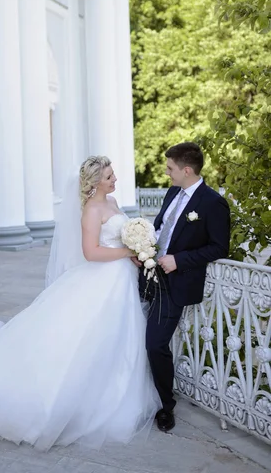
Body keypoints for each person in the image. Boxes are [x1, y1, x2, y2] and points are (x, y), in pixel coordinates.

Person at [0, 156, 160, 451]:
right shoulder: (92, 210)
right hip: (101, 280)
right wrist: (125, 252)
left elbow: (117, 238)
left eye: (113, 175)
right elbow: (91, 252)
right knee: (89, 339)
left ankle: (116, 395)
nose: (115, 179)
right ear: (96, 181)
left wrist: (136, 250)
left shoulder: (112, 203)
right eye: (109, 176)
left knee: (117, 339)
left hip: (120, 281)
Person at [139, 142, 230, 433]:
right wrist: (141, 244)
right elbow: (160, 229)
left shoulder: (212, 202)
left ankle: (167, 405)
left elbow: (219, 246)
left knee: (154, 343)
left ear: (186, 170)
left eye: (170, 169)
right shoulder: (171, 193)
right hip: (148, 274)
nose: (167, 173)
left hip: (176, 283)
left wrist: (179, 260)